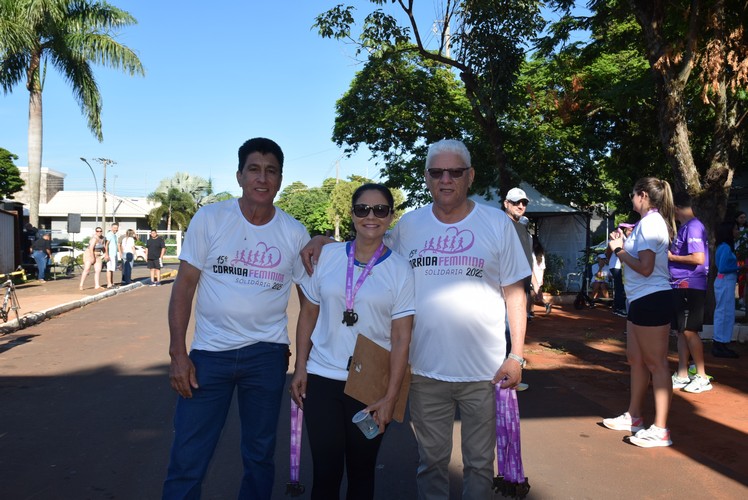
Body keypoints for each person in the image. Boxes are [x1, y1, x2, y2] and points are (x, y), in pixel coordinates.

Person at [301, 139, 530, 498]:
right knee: (432, 463)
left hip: (484, 372)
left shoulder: (497, 224)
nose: (446, 179)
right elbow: (368, 241)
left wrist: (516, 354)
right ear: (426, 178)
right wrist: (323, 239)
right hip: (423, 371)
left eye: (455, 172)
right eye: (437, 172)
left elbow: (515, 292)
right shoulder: (409, 226)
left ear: (469, 176)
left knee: (480, 465)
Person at [163, 137, 310, 499]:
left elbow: (311, 303)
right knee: (189, 454)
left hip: (267, 356)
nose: (263, 178)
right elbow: (184, 288)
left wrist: (303, 363)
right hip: (209, 355)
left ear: (279, 179)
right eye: (254, 169)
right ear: (240, 175)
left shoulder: (293, 232)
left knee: (259, 455)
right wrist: (178, 355)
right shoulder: (211, 218)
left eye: (271, 171)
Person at [290, 183, 415, 499]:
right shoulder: (329, 256)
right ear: (352, 214)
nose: (370, 216)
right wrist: (300, 367)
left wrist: (390, 396)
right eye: (362, 209)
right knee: (325, 474)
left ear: (390, 216)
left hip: (369, 385)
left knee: (361, 473)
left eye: (380, 210)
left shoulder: (400, 270)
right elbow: (308, 315)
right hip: (323, 378)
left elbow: (401, 338)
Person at [603, 177, 676, 448]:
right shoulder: (646, 224)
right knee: (636, 359)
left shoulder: (651, 223)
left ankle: (661, 429)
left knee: (657, 363)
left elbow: (645, 267)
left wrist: (618, 250)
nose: (631, 199)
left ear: (642, 195)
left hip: (652, 298)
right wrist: (623, 242)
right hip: (640, 299)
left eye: (633, 194)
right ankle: (634, 416)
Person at [667, 192, 711, 393]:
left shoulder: (693, 226)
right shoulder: (685, 227)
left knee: (689, 330)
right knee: (681, 331)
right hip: (680, 284)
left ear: (676, 207)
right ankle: (682, 373)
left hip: (689, 285)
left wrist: (671, 257)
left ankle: (701, 376)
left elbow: (698, 258)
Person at [712, 221, 742, 358]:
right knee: (723, 313)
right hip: (725, 281)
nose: (737, 231)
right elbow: (723, 267)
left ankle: (722, 343)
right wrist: (739, 268)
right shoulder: (725, 248)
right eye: (735, 229)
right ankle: (719, 344)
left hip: (725, 282)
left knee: (726, 313)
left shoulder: (724, 247)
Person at [504, 187, 534, 319]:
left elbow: (526, 260)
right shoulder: (500, 226)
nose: (520, 206)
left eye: (524, 203)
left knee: (515, 334)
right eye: (516, 202)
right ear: (506, 203)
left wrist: (535, 284)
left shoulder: (523, 231)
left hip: (521, 291)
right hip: (504, 292)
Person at [609, 223, 633, 316]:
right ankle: (619, 308)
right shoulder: (620, 238)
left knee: (621, 287)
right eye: (629, 230)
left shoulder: (627, 239)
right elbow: (615, 251)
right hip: (617, 266)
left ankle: (619, 307)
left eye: (632, 230)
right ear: (624, 230)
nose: (631, 231)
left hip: (620, 266)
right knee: (620, 287)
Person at [531, 236, 552, 315]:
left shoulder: (531, 253)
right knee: (537, 293)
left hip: (534, 275)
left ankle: (531, 311)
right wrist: (541, 278)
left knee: (532, 294)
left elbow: (531, 266)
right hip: (539, 275)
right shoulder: (541, 254)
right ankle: (546, 304)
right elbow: (543, 267)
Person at [104, 222, 120, 288]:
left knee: (112, 269)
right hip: (110, 254)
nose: (115, 229)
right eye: (114, 228)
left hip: (114, 254)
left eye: (116, 228)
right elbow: (106, 244)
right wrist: (106, 254)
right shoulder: (109, 234)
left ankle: (112, 282)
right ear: (111, 228)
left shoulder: (115, 235)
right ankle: (109, 284)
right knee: (109, 269)